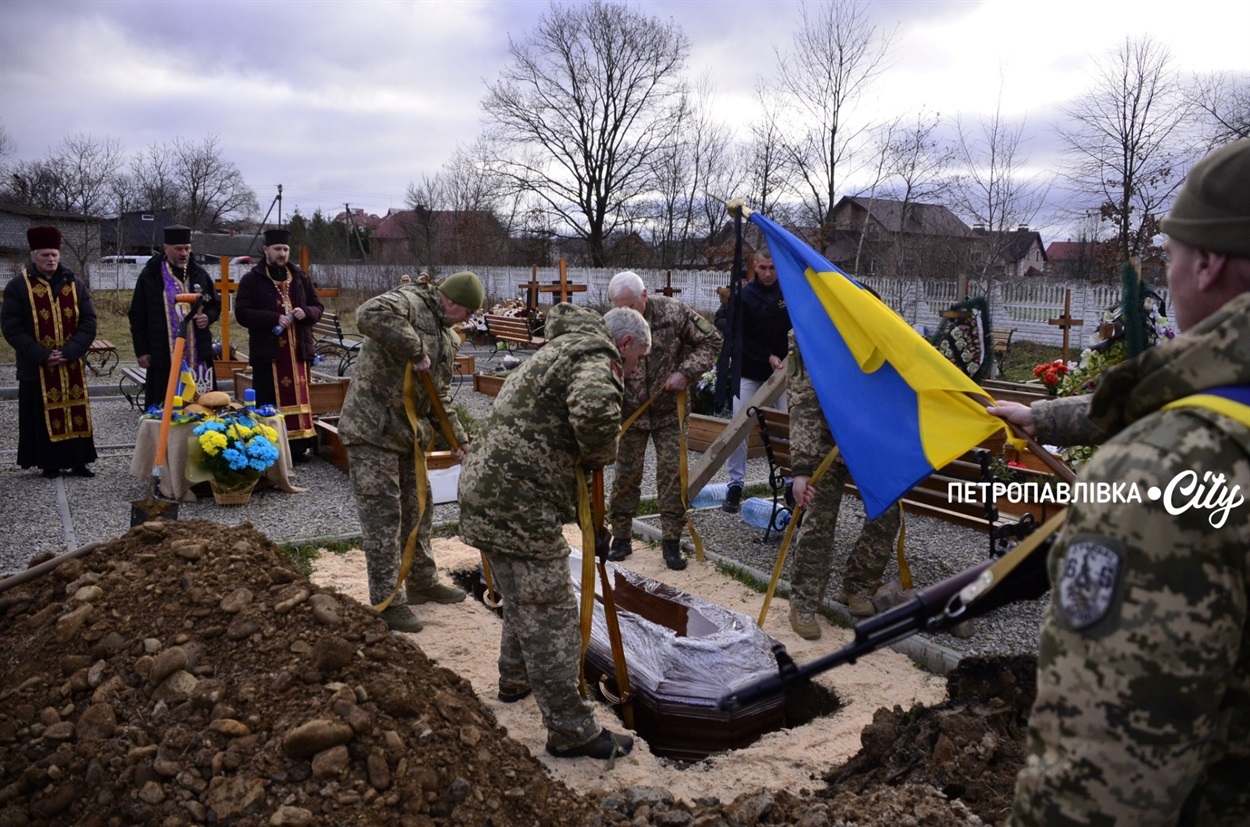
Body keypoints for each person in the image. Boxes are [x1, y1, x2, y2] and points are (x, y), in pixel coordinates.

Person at [1005, 138, 1250, 825]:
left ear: (1206, 263)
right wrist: (1042, 415)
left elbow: (1099, 787)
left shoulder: (1160, 478)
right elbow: (1181, 397)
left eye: (1168, 256)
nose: (1164, 275)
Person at [458, 304, 650, 760]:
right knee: (552, 614)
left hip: (490, 493)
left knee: (525, 597)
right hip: (517, 505)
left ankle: (515, 680)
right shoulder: (596, 358)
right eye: (637, 359)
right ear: (624, 344)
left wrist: (592, 521)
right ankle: (571, 730)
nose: (635, 369)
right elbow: (595, 420)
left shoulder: (562, 348)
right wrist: (603, 453)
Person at [337, 272, 484, 632]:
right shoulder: (410, 301)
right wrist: (415, 348)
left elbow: (438, 396)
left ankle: (422, 581)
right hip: (372, 431)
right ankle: (388, 601)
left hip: (407, 435)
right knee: (383, 518)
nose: (467, 321)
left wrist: (458, 439)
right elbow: (369, 314)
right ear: (451, 300)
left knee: (419, 509)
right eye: (466, 312)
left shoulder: (447, 336)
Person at [786, 331, 901, 637]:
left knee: (888, 515)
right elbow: (803, 401)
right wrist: (802, 467)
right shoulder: (807, 330)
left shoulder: (869, 316)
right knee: (820, 522)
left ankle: (856, 586)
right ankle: (804, 602)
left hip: (867, 442)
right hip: (824, 441)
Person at [606, 271, 721, 570]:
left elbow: (712, 340)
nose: (626, 314)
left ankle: (671, 542)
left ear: (645, 296)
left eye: (631, 307)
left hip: (669, 411)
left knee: (672, 476)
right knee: (625, 476)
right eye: (619, 308)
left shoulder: (675, 312)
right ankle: (621, 537)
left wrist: (686, 372)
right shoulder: (611, 324)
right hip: (630, 412)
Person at [1, 226, 98, 478]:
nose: (51, 259)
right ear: (34, 256)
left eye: (54, 254)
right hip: (37, 366)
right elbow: (12, 329)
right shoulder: (18, 286)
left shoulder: (74, 283)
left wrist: (70, 351)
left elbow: (88, 322)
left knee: (75, 410)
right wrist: (43, 355)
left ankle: (79, 461)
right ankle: (49, 463)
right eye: (45, 255)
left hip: (71, 363)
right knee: (41, 415)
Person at [234, 228, 324, 462]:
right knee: (269, 399)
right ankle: (270, 446)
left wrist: (305, 311)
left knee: (299, 399)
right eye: (277, 249)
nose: (281, 253)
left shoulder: (300, 277)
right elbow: (242, 313)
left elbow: (318, 307)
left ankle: (299, 446)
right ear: (266, 250)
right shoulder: (251, 279)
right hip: (269, 354)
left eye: (285, 249)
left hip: (297, 352)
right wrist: (274, 317)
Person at [715, 252, 792, 513]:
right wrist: (765, 356)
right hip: (749, 371)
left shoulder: (788, 293)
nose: (768, 272)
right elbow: (738, 337)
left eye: (772, 267)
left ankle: (791, 483)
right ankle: (735, 485)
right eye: (763, 267)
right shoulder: (744, 297)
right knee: (739, 427)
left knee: (785, 429)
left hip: (781, 373)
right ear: (755, 268)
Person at [127, 224, 221, 409]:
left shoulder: (199, 274)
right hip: (163, 353)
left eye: (187, 248)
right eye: (178, 249)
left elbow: (215, 305)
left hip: (198, 353)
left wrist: (208, 317)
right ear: (166, 248)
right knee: (165, 405)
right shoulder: (151, 276)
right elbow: (137, 315)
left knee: (203, 408)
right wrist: (142, 350)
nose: (184, 253)